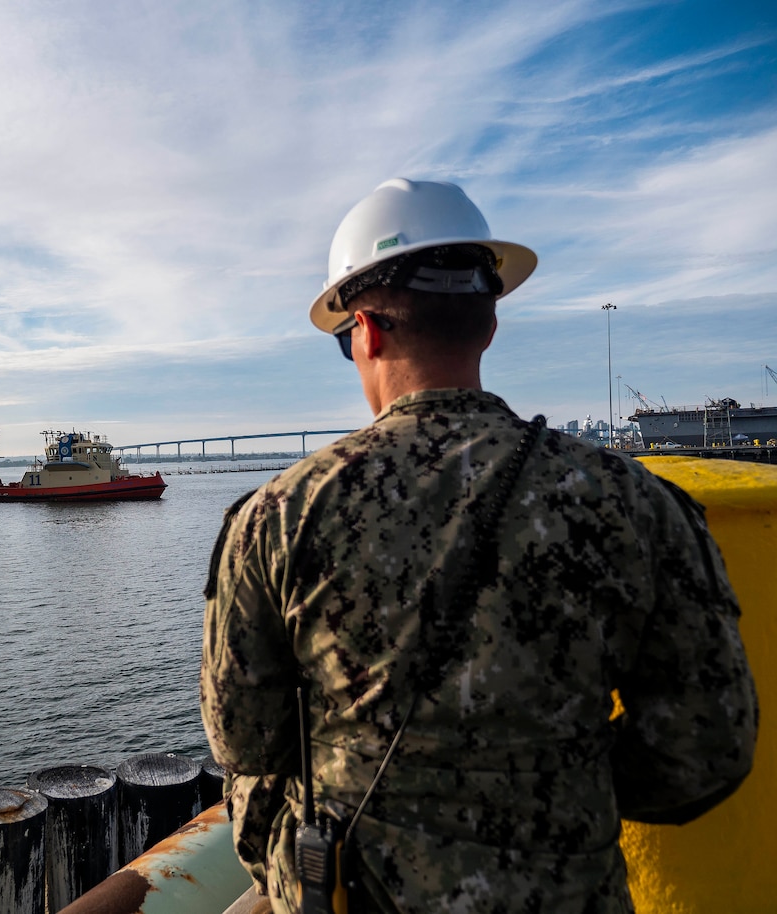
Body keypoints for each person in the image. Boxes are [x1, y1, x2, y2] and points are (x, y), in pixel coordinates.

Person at [200, 178, 758, 914]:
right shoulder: (634, 502)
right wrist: (553, 793)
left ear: (363, 331)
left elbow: (244, 743)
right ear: (489, 325)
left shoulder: (278, 516)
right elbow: (707, 746)